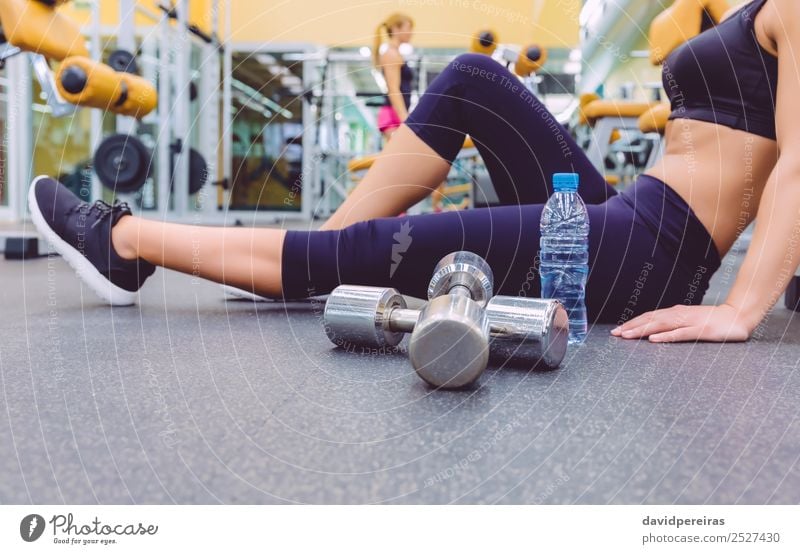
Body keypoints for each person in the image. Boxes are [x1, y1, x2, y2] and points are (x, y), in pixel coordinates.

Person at [28, 0, 799, 344]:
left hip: (652, 254)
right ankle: (322, 252)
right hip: (629, 214)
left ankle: (122, 242)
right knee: (473, 78)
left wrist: (741, 310)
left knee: (390, 247)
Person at [373, 13, 415, 140]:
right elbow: (393, 89)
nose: (411, 33)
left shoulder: (396, 53)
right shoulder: (391, 54)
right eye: (408, 28)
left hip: (397, 113)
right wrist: (404, 118)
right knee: (399, 157)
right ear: (396, 29)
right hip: (393, 115)